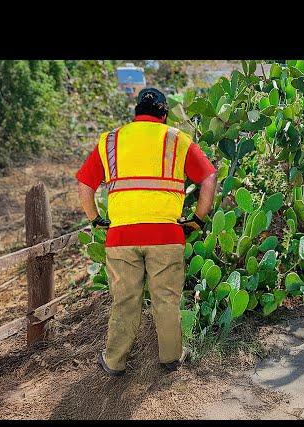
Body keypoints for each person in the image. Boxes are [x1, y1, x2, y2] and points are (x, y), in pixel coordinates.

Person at [76, 87, 217, 375]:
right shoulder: (177, 139)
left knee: (125, 300)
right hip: (166, 236)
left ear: (136, 114)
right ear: (164, 115)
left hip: (121, 236)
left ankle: (114, 362)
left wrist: (95, 219)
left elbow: (85, 184)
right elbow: (209, 176)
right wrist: (198, 219)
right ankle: (171, 359)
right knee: (166, 299)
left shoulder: (111, 140)